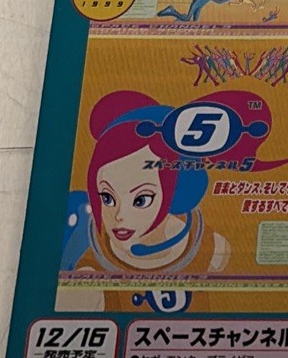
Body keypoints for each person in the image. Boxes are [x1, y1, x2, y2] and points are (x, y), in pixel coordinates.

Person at [56, 89, 271, 310]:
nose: (119, 215)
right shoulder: (90, 281)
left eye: (141, 200)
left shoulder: (209, 246)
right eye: (107, 198)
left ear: (175, 193)